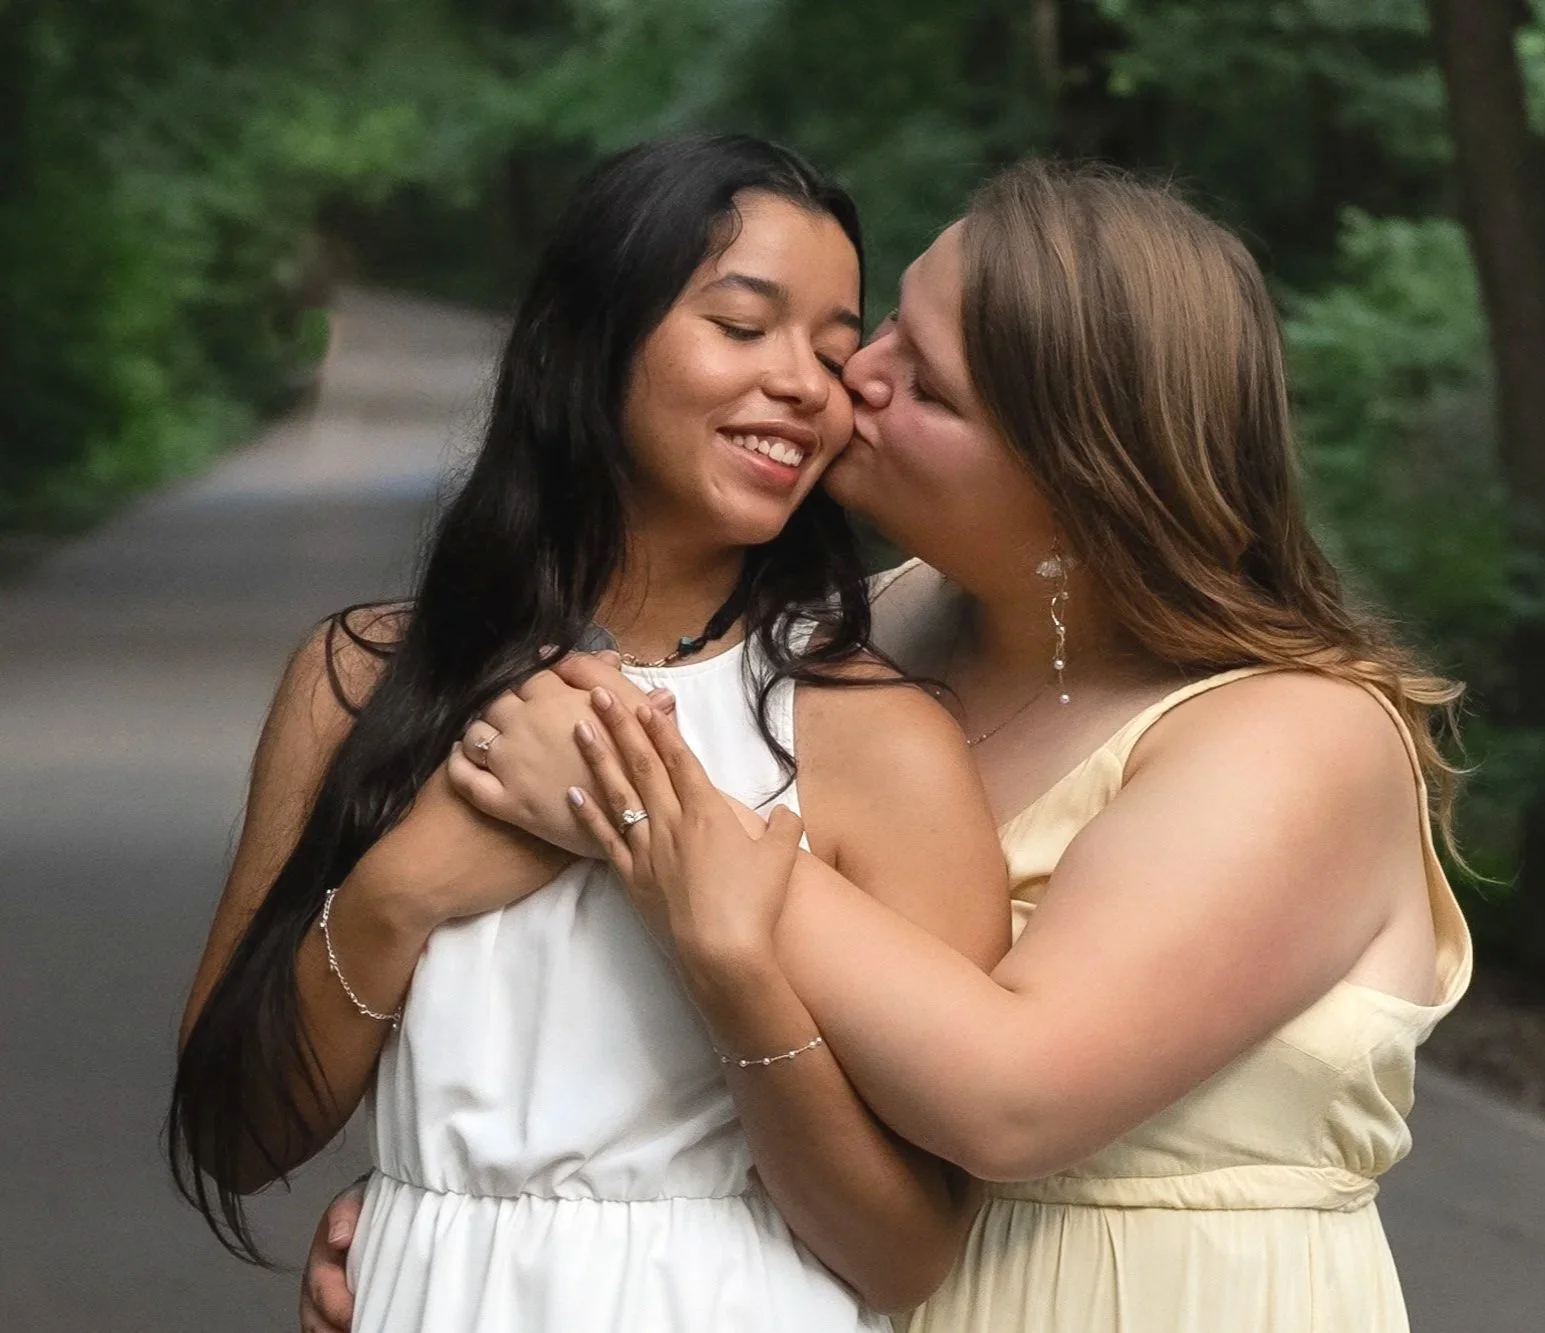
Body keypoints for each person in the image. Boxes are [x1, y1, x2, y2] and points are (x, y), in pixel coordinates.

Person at [305, 159, 1472, 1332]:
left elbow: (1016, 1101)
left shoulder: (1296, 736)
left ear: (1080, 478)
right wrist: (463, 1219)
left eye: (926, 384)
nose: (847, 375)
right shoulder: (874, 629)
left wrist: (642, 804)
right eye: (889, 328)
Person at [171, 135, 1010, 1333]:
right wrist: (400, 891)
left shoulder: (873, 736)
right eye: (741, 325)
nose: (805, 385)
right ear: (584, 337)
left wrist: (727, 962)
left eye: (834, 352)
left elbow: (906, 1253)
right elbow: (235, 1137)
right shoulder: (361, 684)